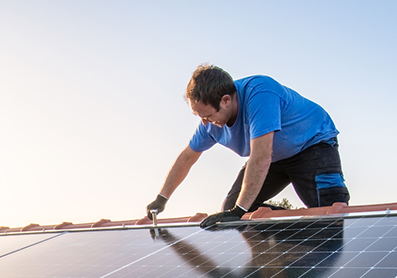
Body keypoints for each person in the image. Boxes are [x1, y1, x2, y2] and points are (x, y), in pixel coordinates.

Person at [146, 65, 349, 228]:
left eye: (207, 116)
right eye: (200, 117)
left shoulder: (260, 94)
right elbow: (187, 157)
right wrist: (161, 198)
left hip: (311, 145)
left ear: (226, 100)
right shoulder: (209, 125)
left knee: (330, 213)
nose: (205, 123)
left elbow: (261, 157)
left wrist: (238, 211)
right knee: (231, 209)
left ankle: (314, 227)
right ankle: (290, 240)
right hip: (274, 159)